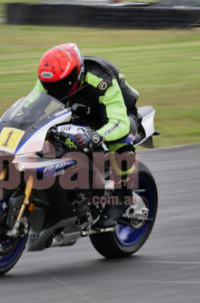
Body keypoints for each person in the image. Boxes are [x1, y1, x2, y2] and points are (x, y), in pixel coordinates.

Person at [33, 43, 140, 229]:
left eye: (58, 86)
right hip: (80, 112)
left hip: (117, 115)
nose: (53, 90)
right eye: (49, 86)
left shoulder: (102, 81)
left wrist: (96, 137)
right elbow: (31, 105)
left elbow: (119, 123)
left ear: (75, 77)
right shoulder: (50, 80)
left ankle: (123, 196)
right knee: (53, 137)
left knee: (120, 141)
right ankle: (70, 191)